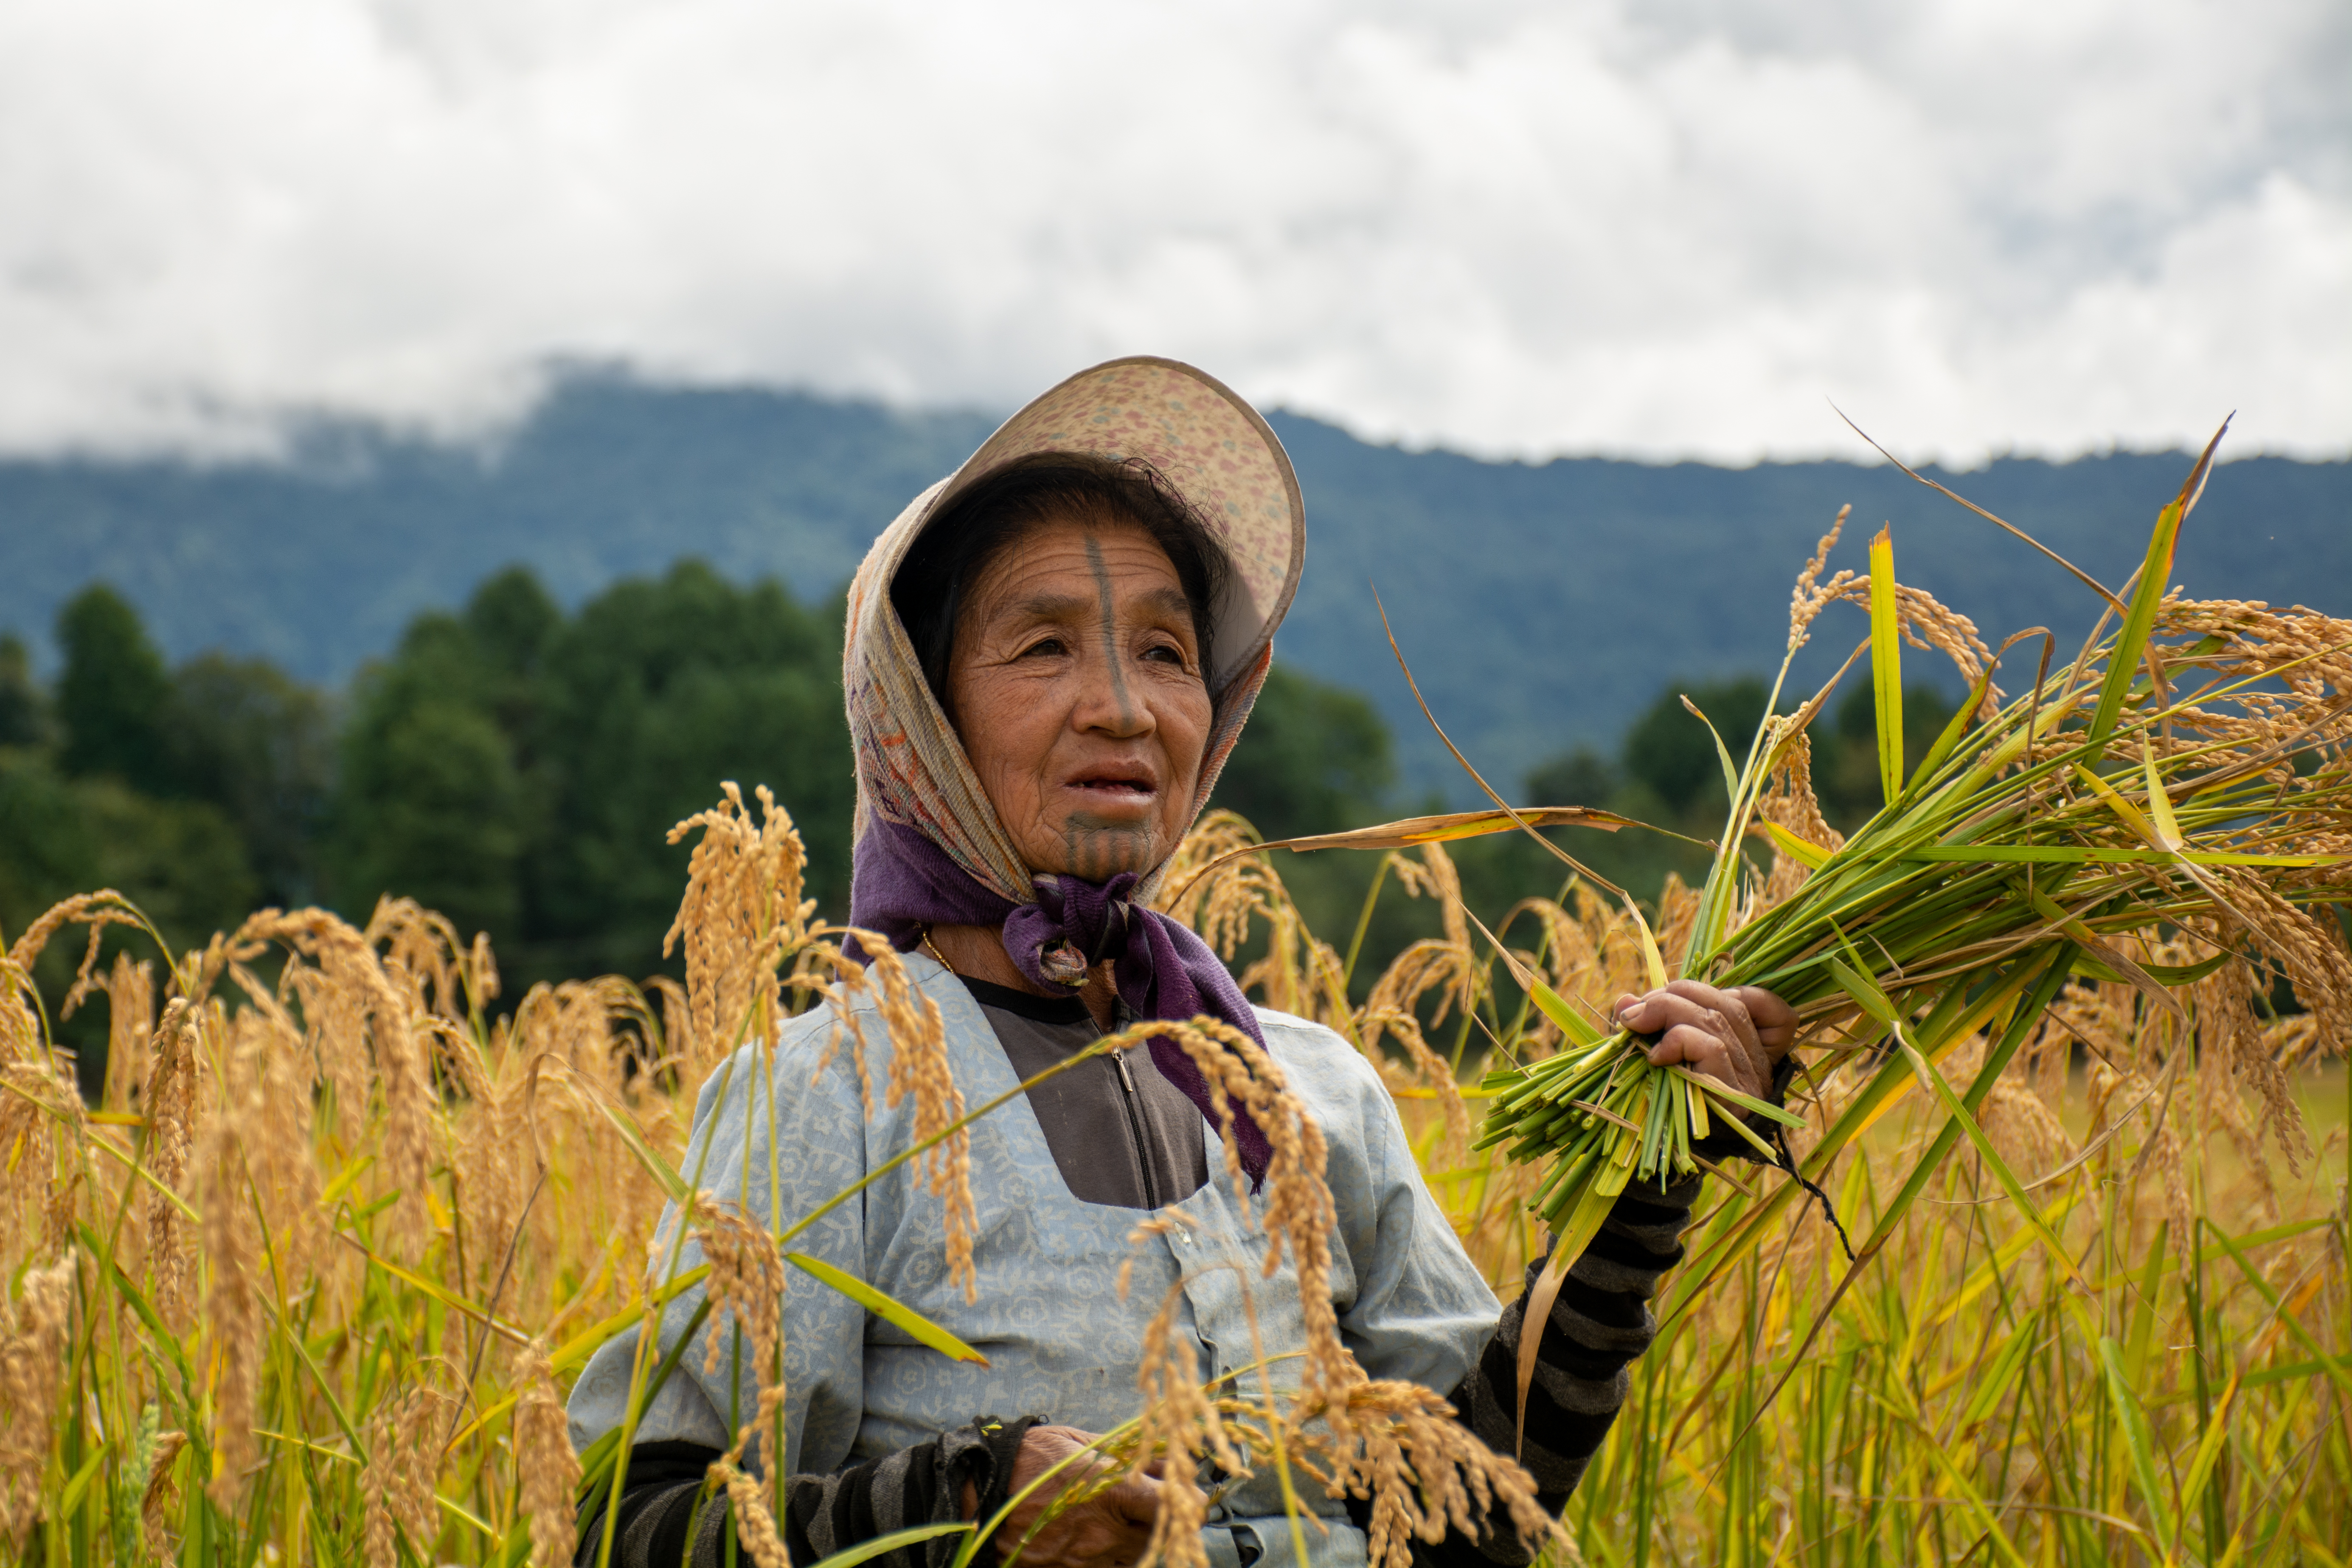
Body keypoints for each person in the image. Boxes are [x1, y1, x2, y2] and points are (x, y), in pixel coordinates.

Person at [565, 358, 1796, 1568]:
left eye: (1164, 652)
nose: (1125, 707)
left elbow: (1474, 1519)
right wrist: (967, 1505)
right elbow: (634, 1530)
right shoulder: (829, 1098)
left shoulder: (1304, 1089)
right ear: (921, 717)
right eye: (1045, 647)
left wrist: (1649, 1186)